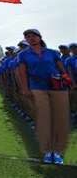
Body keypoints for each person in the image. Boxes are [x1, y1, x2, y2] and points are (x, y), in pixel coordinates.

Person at [17, 29, 71, 165]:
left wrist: (67, 81)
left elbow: (61, 69)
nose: (31, 38)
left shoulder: (52, 52)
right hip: (37, 88)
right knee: (43, 119)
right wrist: (24, 88)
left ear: (40, 37)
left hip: (57, 87)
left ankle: (58, 152)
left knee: (60, 119)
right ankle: (48, 151)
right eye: (28, 37)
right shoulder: (23, 55)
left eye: (33, 36)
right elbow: (22, 73)